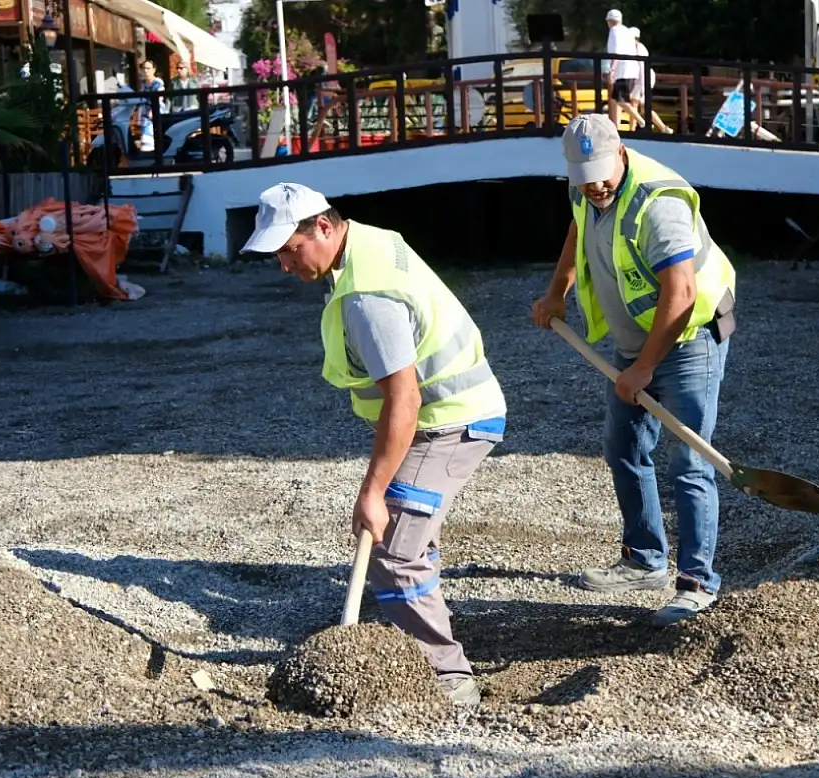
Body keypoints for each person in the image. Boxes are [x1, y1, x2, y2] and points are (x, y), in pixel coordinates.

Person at [240, 182, 508, 705]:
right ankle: (428, 640)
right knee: (404, 532)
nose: (285, 266)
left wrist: (372, 489)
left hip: (450, 420)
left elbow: (403, 399)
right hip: (443, 413)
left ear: (322, 226)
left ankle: (446, 678)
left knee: (391, 550)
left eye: (289, 250)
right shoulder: (368, 242)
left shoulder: (369, 297)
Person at [531, 114, 738, 627]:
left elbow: (682, 294)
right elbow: (576, 232)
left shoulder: (658, 203)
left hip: (689, 342)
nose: (595, 186)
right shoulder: (584, 189)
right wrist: (556, 291)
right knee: (623, 448)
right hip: (631, 348)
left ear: (621, 153)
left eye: (602, 172)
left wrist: (644, 368)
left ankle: (696, 583)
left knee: (690, 462)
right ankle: (644, 560)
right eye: (584, 177)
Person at [604, 9, 636, 130]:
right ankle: (615, 127)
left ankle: (642, 120)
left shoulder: (614, 31)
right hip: (632, 70)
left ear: (609, 21)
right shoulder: (626, 31)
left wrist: (611, 71)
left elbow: (615, 53)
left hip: (622, 71)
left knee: (620, 101)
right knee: (615, 99)